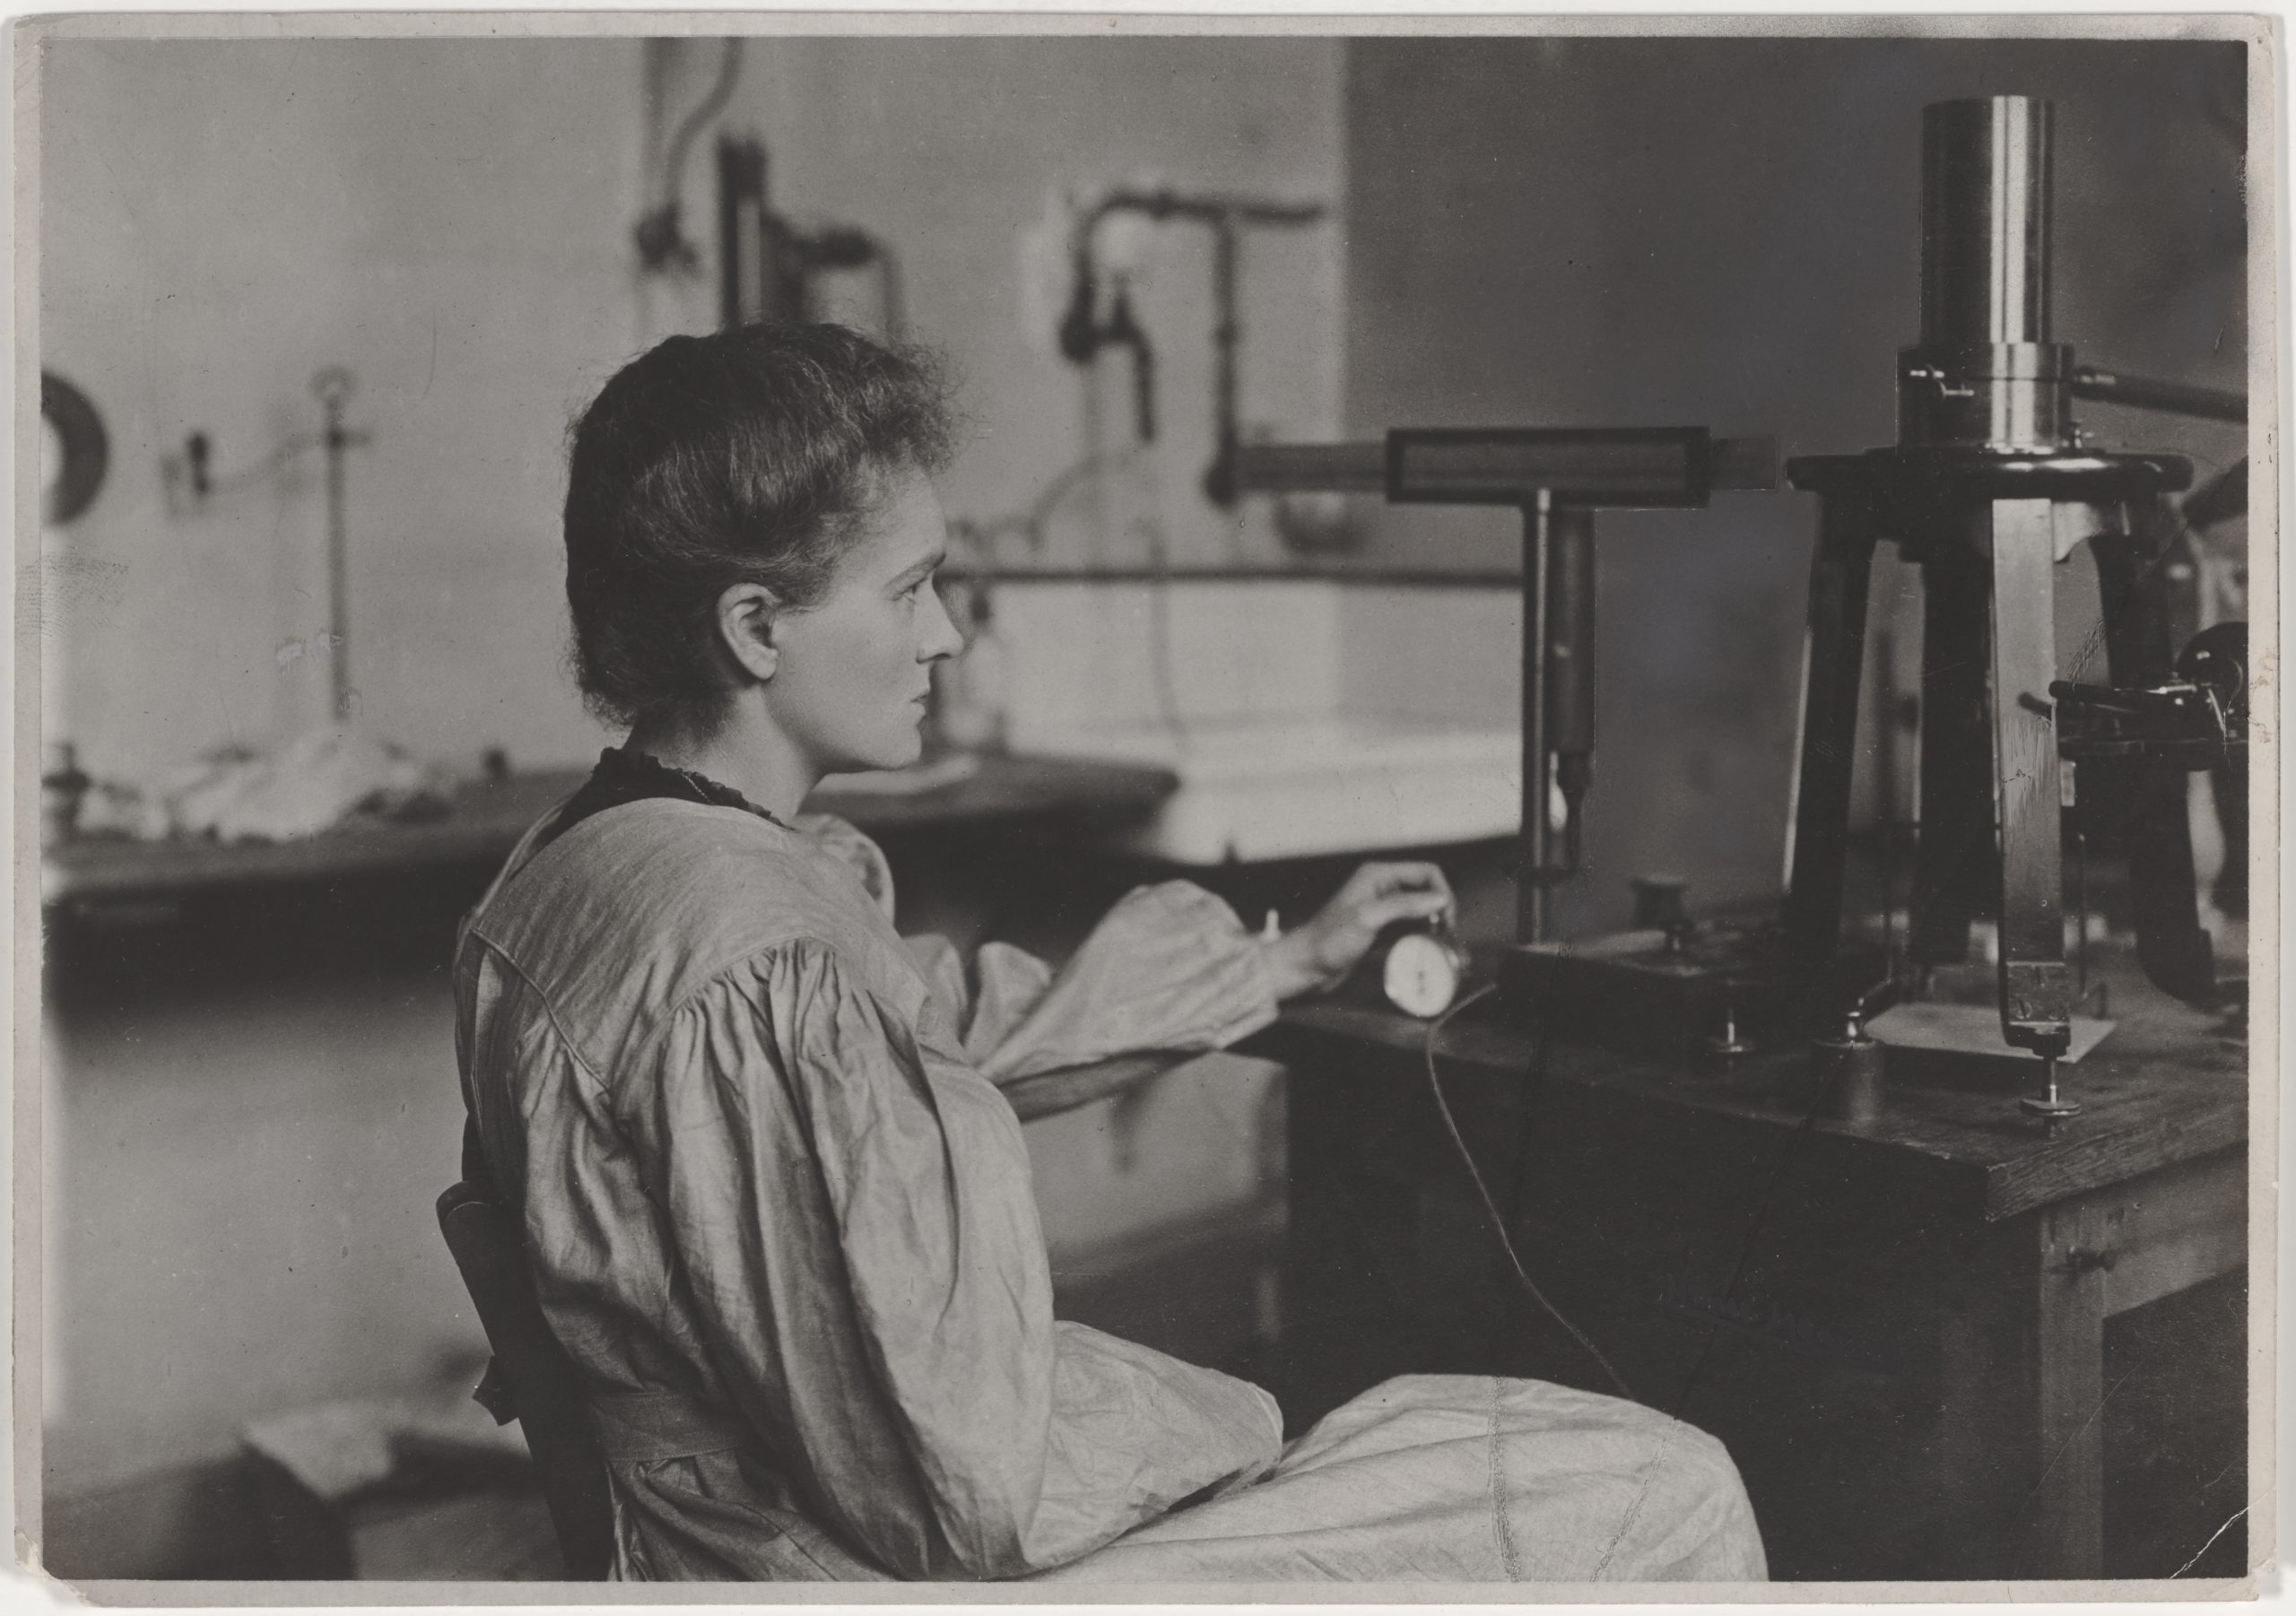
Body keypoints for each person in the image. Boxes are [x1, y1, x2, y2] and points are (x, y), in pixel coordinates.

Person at [453, 323, 1767, 1583]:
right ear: (756, 629)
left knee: (1411, 1430)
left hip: (721, 1541)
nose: (946, 635)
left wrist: (1277, 961)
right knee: (1655, 1483)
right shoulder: (757, 954)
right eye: (911, 590)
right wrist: (1204, 1441)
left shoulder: (593, 863)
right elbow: (955, 1487)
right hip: (846, 1567)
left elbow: (923, 1037)